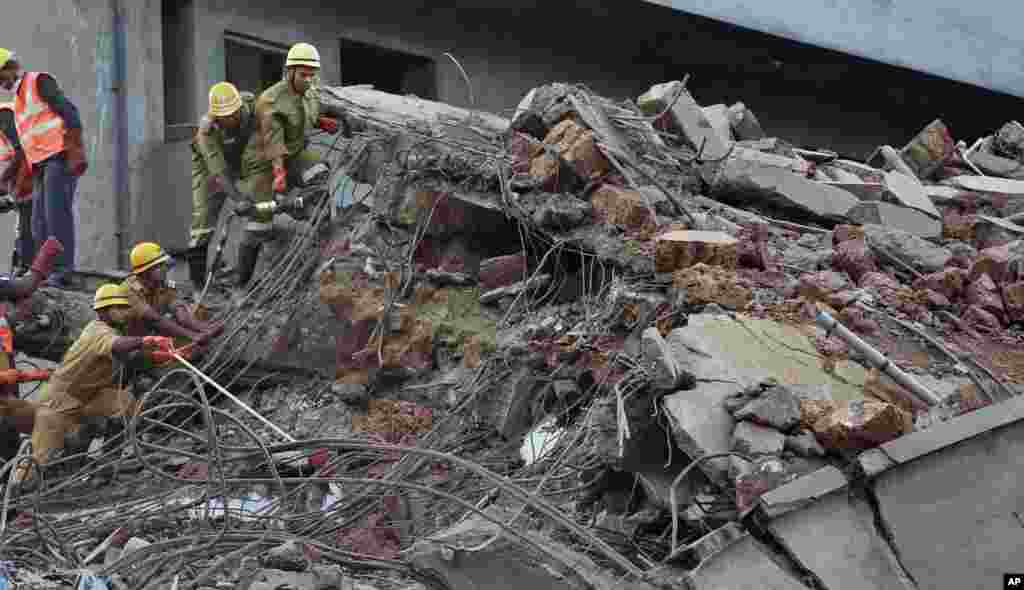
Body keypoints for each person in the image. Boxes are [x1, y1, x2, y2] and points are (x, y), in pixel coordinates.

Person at [11, 284, 176, 489]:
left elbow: (131, 356)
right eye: (120, 308)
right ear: (104, 311)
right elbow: (118, 345)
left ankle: (106, 467)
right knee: (38, 458)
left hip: (89, 396)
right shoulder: (98, 332)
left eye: (126, 308)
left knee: (124, 404)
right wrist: (147, 340)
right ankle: (11, 500)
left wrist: (164, 355)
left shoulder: (112, 332)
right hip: (59, 400)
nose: (126, 313)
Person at [236, 42, 357, 301]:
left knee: (320, 174)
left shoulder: (311, 92)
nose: (308, 80)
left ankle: (312, 228)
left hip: (294, 154)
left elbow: (310, 112)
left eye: (312, 74)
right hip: (264, 162)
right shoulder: (270, 100)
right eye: (303, 74)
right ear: (289, 72)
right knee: (258, 225)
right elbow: (273, 142)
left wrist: (328, 120)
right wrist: (279, 174)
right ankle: (239, 286)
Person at [0, 48, 87, 288]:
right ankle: (44, 273)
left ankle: (62, 272)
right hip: (40, 165)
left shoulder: (38, 81)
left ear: (9, 68)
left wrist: (75, 147)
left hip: (59, 157)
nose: (1, 84)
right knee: (39, 222)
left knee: (57, 216)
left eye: (0, 77)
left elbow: (69, 112)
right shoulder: (17, 101)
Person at [189, 82, 257, 290]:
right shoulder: (207, 133)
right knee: (203, 221)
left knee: (260, 207)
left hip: (242, 159)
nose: (232, 119)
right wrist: (239, 199)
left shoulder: (250, 103)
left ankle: (242, 282)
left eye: (235, 114)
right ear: (217, 116)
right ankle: (198, 286)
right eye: (226, 116)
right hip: (209, 168)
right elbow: (219, 175)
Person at [121, 242, 223, 343]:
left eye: (165, 265)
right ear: (145, 271)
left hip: (152, 339)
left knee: (198, 311)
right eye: (160, 266)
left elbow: (181, 314)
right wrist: (192, 335)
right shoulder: (129, 290)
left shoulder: (163, 284)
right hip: (131, 345)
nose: (166, 269)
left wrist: (203, 327)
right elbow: (155, 320)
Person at [0, 102, 34, 275]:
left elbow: (23, 153)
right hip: (22, 179)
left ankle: (26, 268)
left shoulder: (4, 116)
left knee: (27, 225)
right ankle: (22, 266)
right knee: (23, 226)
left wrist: (13, 193)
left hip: (33, 175)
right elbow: (11, 160)